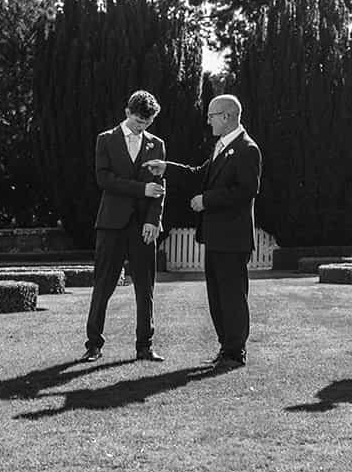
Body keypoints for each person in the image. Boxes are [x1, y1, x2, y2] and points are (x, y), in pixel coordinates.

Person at [144, 94, 261, 366]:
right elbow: (199, 174)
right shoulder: (221, 146)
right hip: (216, 236)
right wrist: (165, 167)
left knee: (232, 296)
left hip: (233, 237)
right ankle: (226, 347)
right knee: (217, 297)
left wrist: (206, 200)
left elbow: (246, 191)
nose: (207, 121)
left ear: (227, 116)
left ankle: (235, 352)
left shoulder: (247, 149)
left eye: (211, 115)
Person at [83, 90, 167, 363]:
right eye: (139, 121)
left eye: (147, 123)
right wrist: (142, 189)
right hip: (111, 224)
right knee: (103, 286)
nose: (142, 127)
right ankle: (93, 344)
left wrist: (153, 220)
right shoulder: (105, 140)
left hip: (143, 227)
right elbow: (105, 180)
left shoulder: (157, 145)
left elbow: (159, 188)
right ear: (127, 112)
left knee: (146, 288)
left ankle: (145, 346)